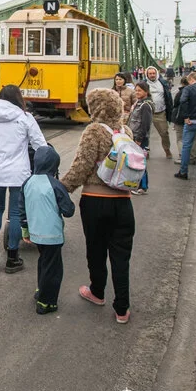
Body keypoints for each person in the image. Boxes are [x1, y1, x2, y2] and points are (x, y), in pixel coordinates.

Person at [60, 88, 135, 325]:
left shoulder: (93, 131)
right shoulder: (126, 131)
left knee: (96, 249)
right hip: (123, 203)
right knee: (121, 256)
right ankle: (122, 308)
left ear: (96, 108)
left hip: (95, 201)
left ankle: (97, 292)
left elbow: (82, 166)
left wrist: (62, 189)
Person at [0, 85, 47, 273]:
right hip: (19, 172)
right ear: (18, 98)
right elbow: (40, 145)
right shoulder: (25, 118)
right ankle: (12, 257)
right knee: (16, 214)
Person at [22, 145, 74, 314]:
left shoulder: (27, 183)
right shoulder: (55, 185)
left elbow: (21, 209)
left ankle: (40, 289)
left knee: (43, 261)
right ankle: (46, 302)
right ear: (55, 165)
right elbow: (69, 210)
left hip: (36, 233)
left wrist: (25, 229)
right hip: (52, 234)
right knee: (53, 269)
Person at [126, 81, 153, 195]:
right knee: (133, 162)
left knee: (139, 162)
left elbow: (145, 124)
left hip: (139, 138)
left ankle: (142, 186)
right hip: (133, 136)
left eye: (139, 90)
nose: (137, 92)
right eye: (136, 90)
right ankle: (134, 184)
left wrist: (139, 139)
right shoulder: (138, 103)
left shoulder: (145, 105)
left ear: (146, 92)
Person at [144, 66, 174, 158]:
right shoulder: (143, 84)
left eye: (154, 73)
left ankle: (167, 150)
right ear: (147, 75)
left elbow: (168, 97)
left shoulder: (163, 83)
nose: (152, 75)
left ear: (156, 74)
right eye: (150, 74)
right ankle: (146, 152)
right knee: (145, 134)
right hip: (146, 113)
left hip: (160, 112)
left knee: (164, 133)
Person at [171, 76, 196, 167]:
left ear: (182, 83)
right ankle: (193, 157)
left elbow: (175, 104)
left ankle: (183, 157)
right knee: (194, 138)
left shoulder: (181, 92)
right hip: (194, 117)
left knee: (180, 138)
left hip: (180, 118)